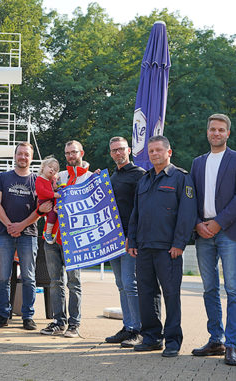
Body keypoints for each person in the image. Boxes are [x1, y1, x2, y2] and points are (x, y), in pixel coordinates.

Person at [189, 114, 236, 366]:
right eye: (212, 129)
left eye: (221, 130)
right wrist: (197, 223)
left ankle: (231, 345)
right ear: (207, 133)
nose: (216, 133)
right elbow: (190, 196)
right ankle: (216, 338)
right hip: (203, 232)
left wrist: (218, 223)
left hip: (229, 232)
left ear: (228, 133)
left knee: (233, 289)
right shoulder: (197, 162)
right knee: (209, 289)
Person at [127, 135, 196, 357]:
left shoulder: (181, 178)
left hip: (169, 249)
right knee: (147, 294)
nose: (154, 154)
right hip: (145, 247)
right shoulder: (144, 180)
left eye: (158, 150)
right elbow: (136, 213)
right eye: (151, 151)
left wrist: (179, 244)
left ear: (169, 152)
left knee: (171, 294)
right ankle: (152, 337)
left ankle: (173, 340)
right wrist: (133, 240)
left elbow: (187, 214)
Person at [0, 142, 51, 331]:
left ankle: (27, 316)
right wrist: (9, 225)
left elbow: (40, 209)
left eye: (26, 154)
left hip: (29, 235)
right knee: (3, 277)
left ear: (31, 158)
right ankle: (2, 315)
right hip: (4, 233)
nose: (23, 157)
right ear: (15, 156)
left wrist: (21, 226)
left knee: (29, 277)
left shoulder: (37, 181)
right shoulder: (3, 177)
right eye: (20, 154)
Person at [40, 140, 91, 338]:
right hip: (53, 235)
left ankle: (74, 323)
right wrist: (40, 208)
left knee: (74, 282)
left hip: (74, 238)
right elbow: (43, 193)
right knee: (55, 281)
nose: (70, 156)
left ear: (81, 152)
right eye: (67, 153)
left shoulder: (89, 178)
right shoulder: (59, 176)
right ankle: (58, 321)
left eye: (74, 152)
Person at [103, 136, 145, 348]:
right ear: (111, 154)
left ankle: (137, 329)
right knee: (121, 285)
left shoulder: (139, 175)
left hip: (130, 238)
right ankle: (128, 326)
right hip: (113, 239)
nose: (118, 153)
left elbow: (142, 208)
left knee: (131, 284)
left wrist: (134, 236)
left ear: (129, 150)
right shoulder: (112, 177)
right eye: (114, 151)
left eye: (121, 149)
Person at [35, 156, 61, 244]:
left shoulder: (50, 180)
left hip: (50, 200)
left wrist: (55, 184)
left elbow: (53, 188)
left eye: (54, 169)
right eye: (50, 167)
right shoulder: (39, 179)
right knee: (52, 214)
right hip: (45, 201)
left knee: (56, 213)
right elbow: (41, 191)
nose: (52, 170)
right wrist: (54, 194)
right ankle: (48, 232)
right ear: (43, 167)